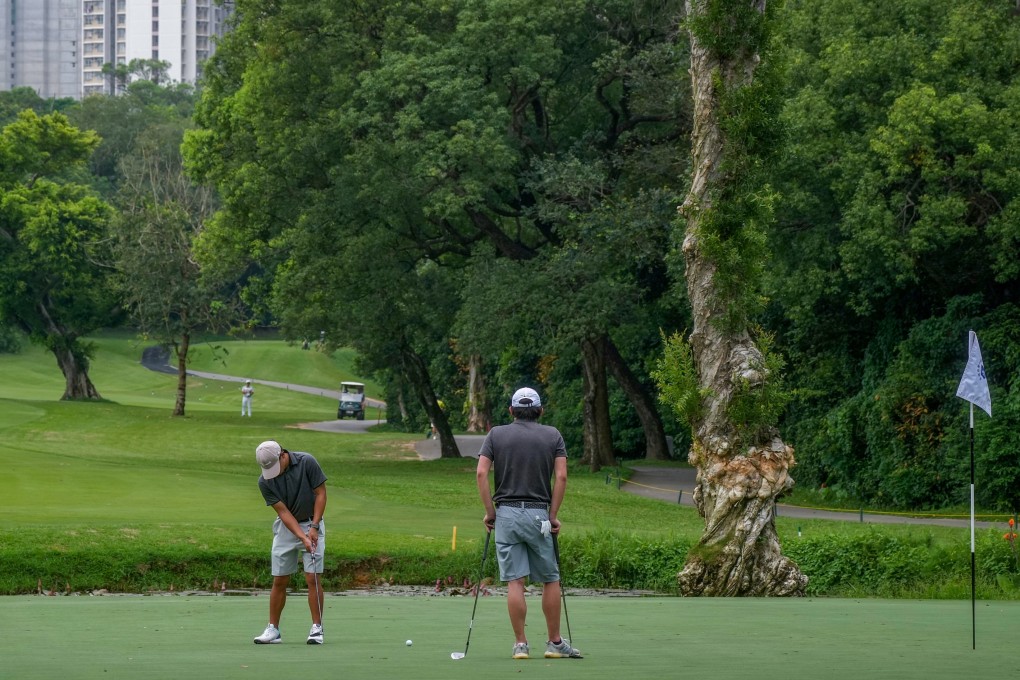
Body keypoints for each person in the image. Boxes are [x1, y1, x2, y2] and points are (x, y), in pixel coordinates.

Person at [475, 387, 581, 660]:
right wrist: (553, 515)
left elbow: (481, 473)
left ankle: (520, 644)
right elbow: (562, 477)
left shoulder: (496, 434)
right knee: (550, 578)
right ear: (540, 410)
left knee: (514, 581)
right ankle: (554, 642)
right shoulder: (552, 435)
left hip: (507, 514)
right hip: (538, 515)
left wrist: (490, 512)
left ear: (511, 411)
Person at [253, 440, 328, 645]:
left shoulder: (307, 462)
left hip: (313, 521)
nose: (272, 472)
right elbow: (283, 512)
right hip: (287, 528)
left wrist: (313, 527)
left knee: (312, 577)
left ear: (283, 455)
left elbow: (321, 493)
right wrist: (302, 536)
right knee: (279, 579)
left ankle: (316, 628)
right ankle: (273, 630)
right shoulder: (264, 481)